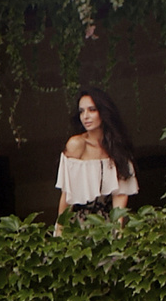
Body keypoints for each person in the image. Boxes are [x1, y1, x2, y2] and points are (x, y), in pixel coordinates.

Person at [55, 88, 138, 232]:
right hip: (79, 227)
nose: (85, 116)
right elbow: (67, 194)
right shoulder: (76, 144)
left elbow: (120, 194)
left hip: (108, 226)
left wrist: (117, 231)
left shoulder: (117, 146)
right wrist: (60, 230)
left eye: (92, 110)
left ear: (103, 112)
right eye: (81, 111)